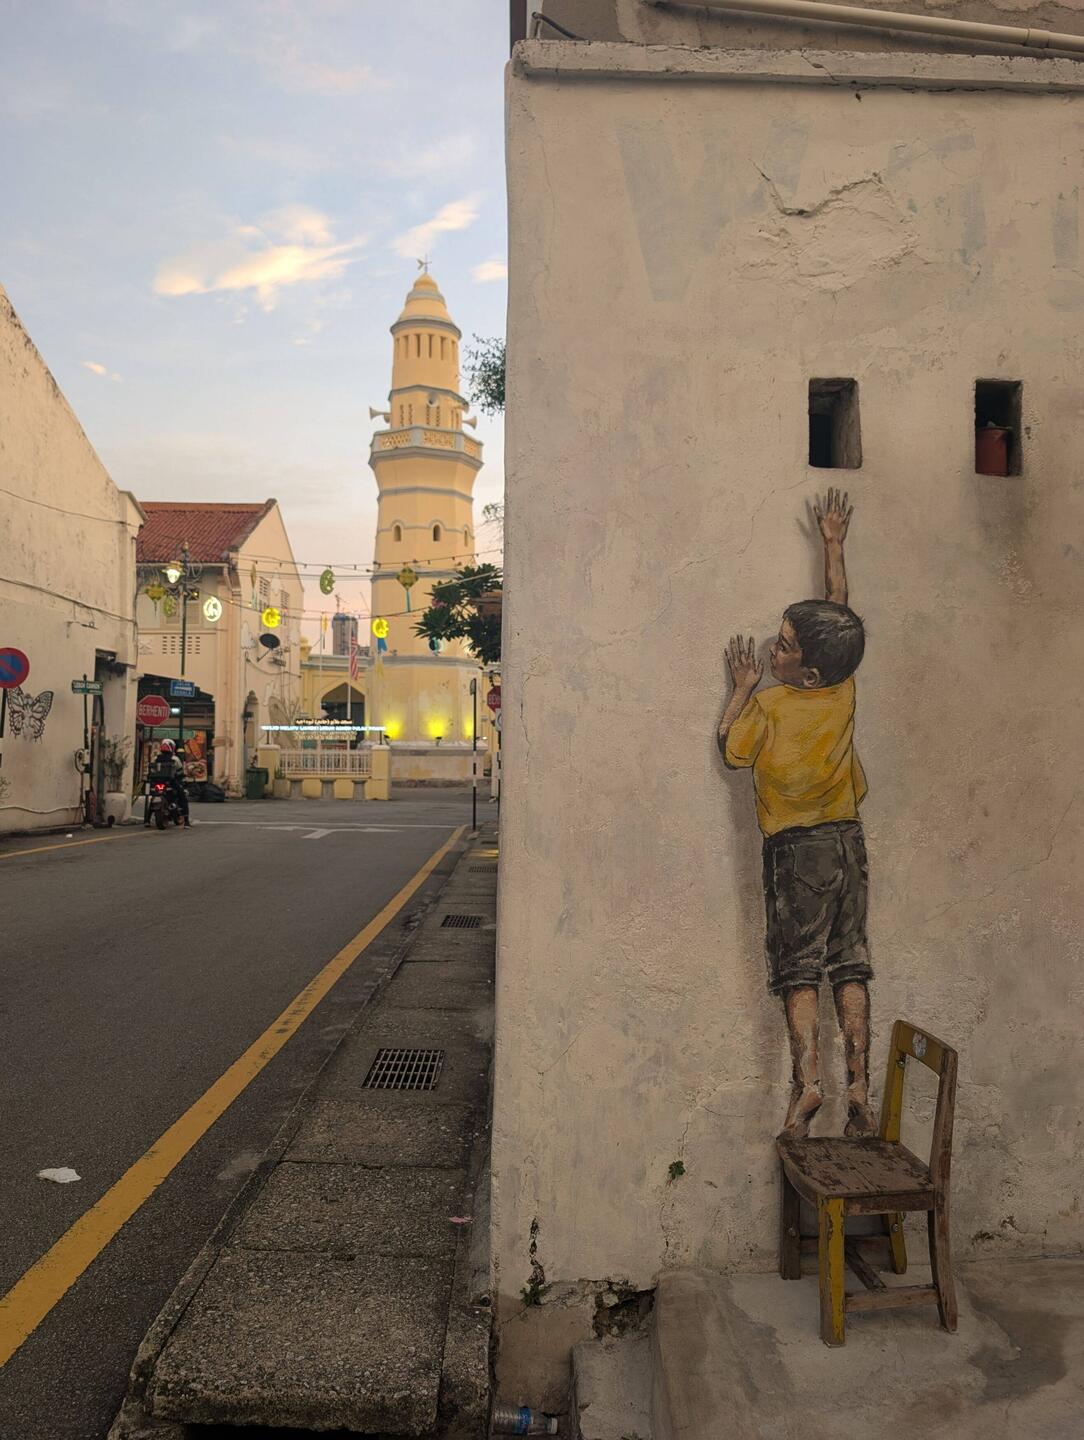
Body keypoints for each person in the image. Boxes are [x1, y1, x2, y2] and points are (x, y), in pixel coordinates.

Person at [717, 489, 873, 1139]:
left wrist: (741, 691)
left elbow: (731, 751)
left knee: (798, 970)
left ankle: (809, 1084)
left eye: (781, 648)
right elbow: (838, 615)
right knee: (852, 961)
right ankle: (860, 1084)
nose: (771, 649)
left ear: (804, 672)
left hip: (795, 853)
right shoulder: (840, 687)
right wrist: (832, 544)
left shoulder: (774, 705)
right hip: (847, 845)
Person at [145, 739, 191, 828]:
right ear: (172, 747)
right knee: (183, 797)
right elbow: (180, 773)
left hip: (156, 783)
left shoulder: (156, 758)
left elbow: (152, 771)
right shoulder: (175, 759)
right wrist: (183, 783)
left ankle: (147, 820)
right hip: (170, 783)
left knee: (153, 799)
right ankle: (186, 821)